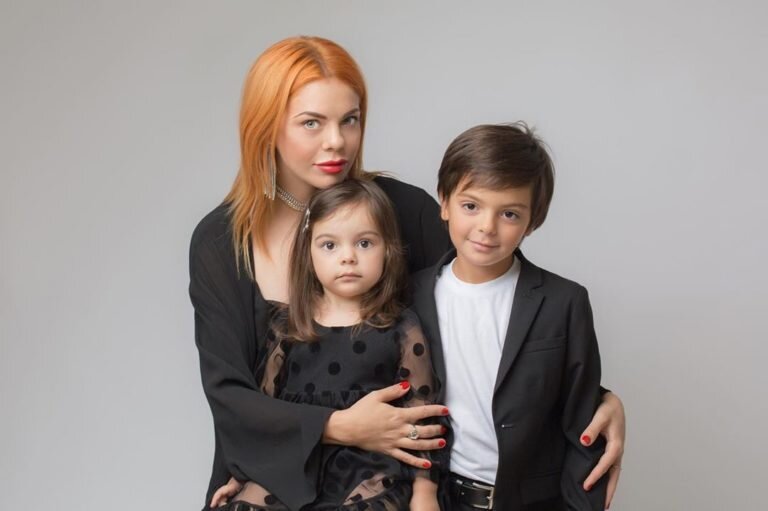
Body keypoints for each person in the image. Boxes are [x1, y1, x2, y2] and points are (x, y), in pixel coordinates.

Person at [189, 36, 625, 511]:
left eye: (350, 120)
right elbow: (228, 394)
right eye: (312, 122)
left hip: (390, 484)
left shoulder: (403, 210)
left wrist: (599, 398)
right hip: (269, 470)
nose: (336, 141)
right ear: (265, 126)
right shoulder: (222, 240)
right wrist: (339, 426)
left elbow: (483, 316)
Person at [209, 179, 445, 510]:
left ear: (388, 250)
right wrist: (241, 475)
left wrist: (425, 492)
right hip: (295, 463)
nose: (348, 257)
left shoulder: (402, 328)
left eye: (364, 243)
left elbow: (421, 417)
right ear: (308, 253)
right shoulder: (288, 326)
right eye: (329, 245)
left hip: (370, 468)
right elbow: (263, 416)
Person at [410, 123, 608, 510]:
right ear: (444, 203)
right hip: (436, 499)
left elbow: (583, 423)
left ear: (533, 222)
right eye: (471, 206)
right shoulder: (410, 295)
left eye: (510, 214)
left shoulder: (563, 301)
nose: (487, 227)